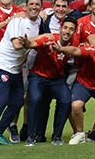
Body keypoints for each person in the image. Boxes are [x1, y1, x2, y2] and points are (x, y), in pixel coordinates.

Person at [0, 0, 43, 148]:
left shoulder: (40, 21)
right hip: (1, 64)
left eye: (37, 4)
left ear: (41, 7)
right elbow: (17, 45)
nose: (34, 7)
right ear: (26, 6)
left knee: (17, 102)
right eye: (31, 4)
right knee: (1, 100)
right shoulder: (17, 20)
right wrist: (38, 41)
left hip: (16, 68)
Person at [52, 30, 95, 145]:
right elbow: (75, 50)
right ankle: (80, 134)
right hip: (84, 83)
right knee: (75, 105)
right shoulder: (92, 50)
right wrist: (60, 49)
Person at [19, 16, 77, 146]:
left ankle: (57, 136)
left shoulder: (73, 46)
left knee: (66, 100)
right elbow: (32, 44)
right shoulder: (49, 39)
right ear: (60, 28)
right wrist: (26, 42)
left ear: (74, 32)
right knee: (36, 98)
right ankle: (30, 136)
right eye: (65, 28)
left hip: (57, 79)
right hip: (38, 76)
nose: (67, 31)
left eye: (71, 29)